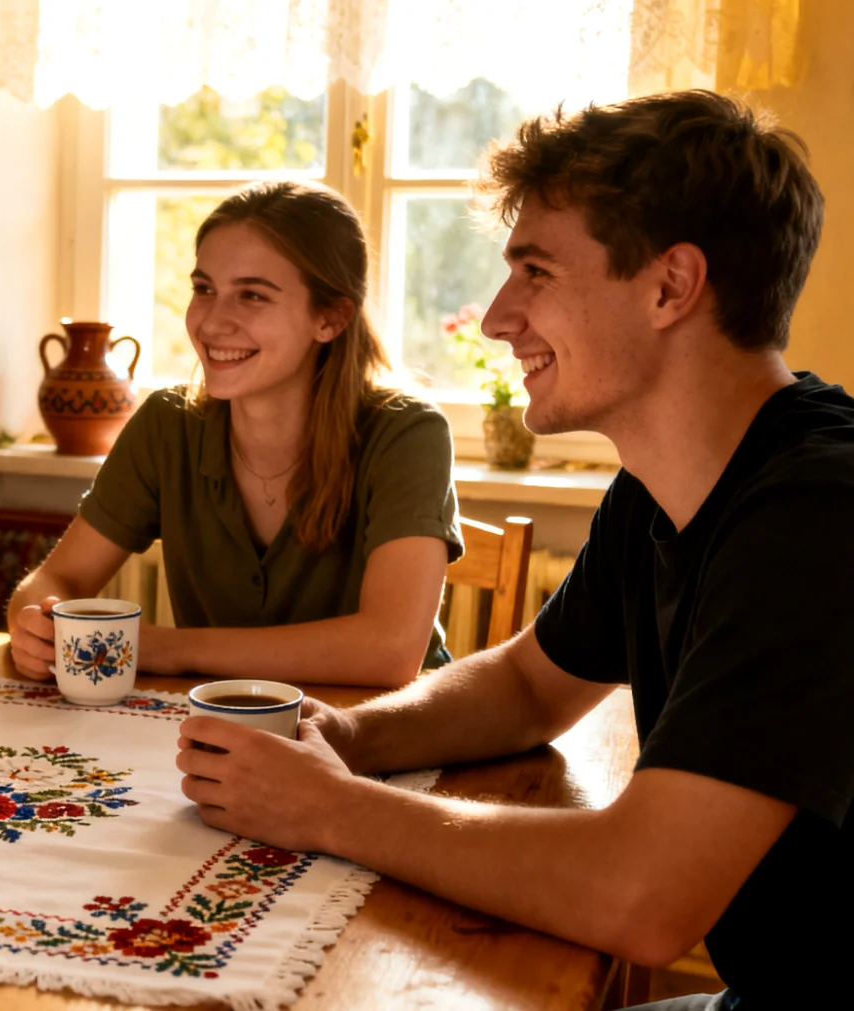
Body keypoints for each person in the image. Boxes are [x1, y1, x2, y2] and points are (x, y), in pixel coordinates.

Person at [177, 91, 846, 1009]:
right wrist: (343, 736)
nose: (497, 316)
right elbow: (530, 684)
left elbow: (641, 895)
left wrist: (327, 807)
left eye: (535, 271)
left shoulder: (818, 514)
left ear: (670, 286)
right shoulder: (668, 483)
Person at [8, 182, 461, 689]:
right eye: (204, 289)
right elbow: (55, 580)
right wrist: (36, 623)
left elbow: (389, 652)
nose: (212, 322)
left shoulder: (407, 433)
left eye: (252, 295)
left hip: (378, 735)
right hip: (218, 728)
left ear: (330, 318)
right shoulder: (167, 423)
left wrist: (157, 648)